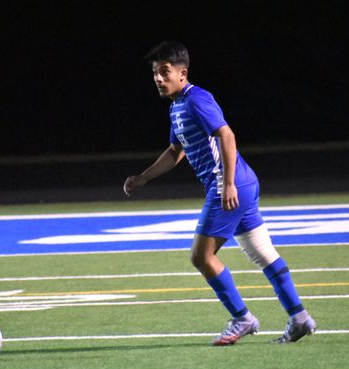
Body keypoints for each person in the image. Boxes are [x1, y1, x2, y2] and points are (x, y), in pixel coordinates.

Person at [123, 41, 316, 346]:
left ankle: (243, 318)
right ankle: (300, 318)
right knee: (263, 254)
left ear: (182, 73)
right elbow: (176, 151)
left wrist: (227, 184)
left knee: (201, 256)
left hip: (230, 184)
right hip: (242, 183)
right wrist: (143, 178)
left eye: (164, 72)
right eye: (155, 74)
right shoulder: (177, 106)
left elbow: (226, 134)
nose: (158, 79)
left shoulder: (197, 99)